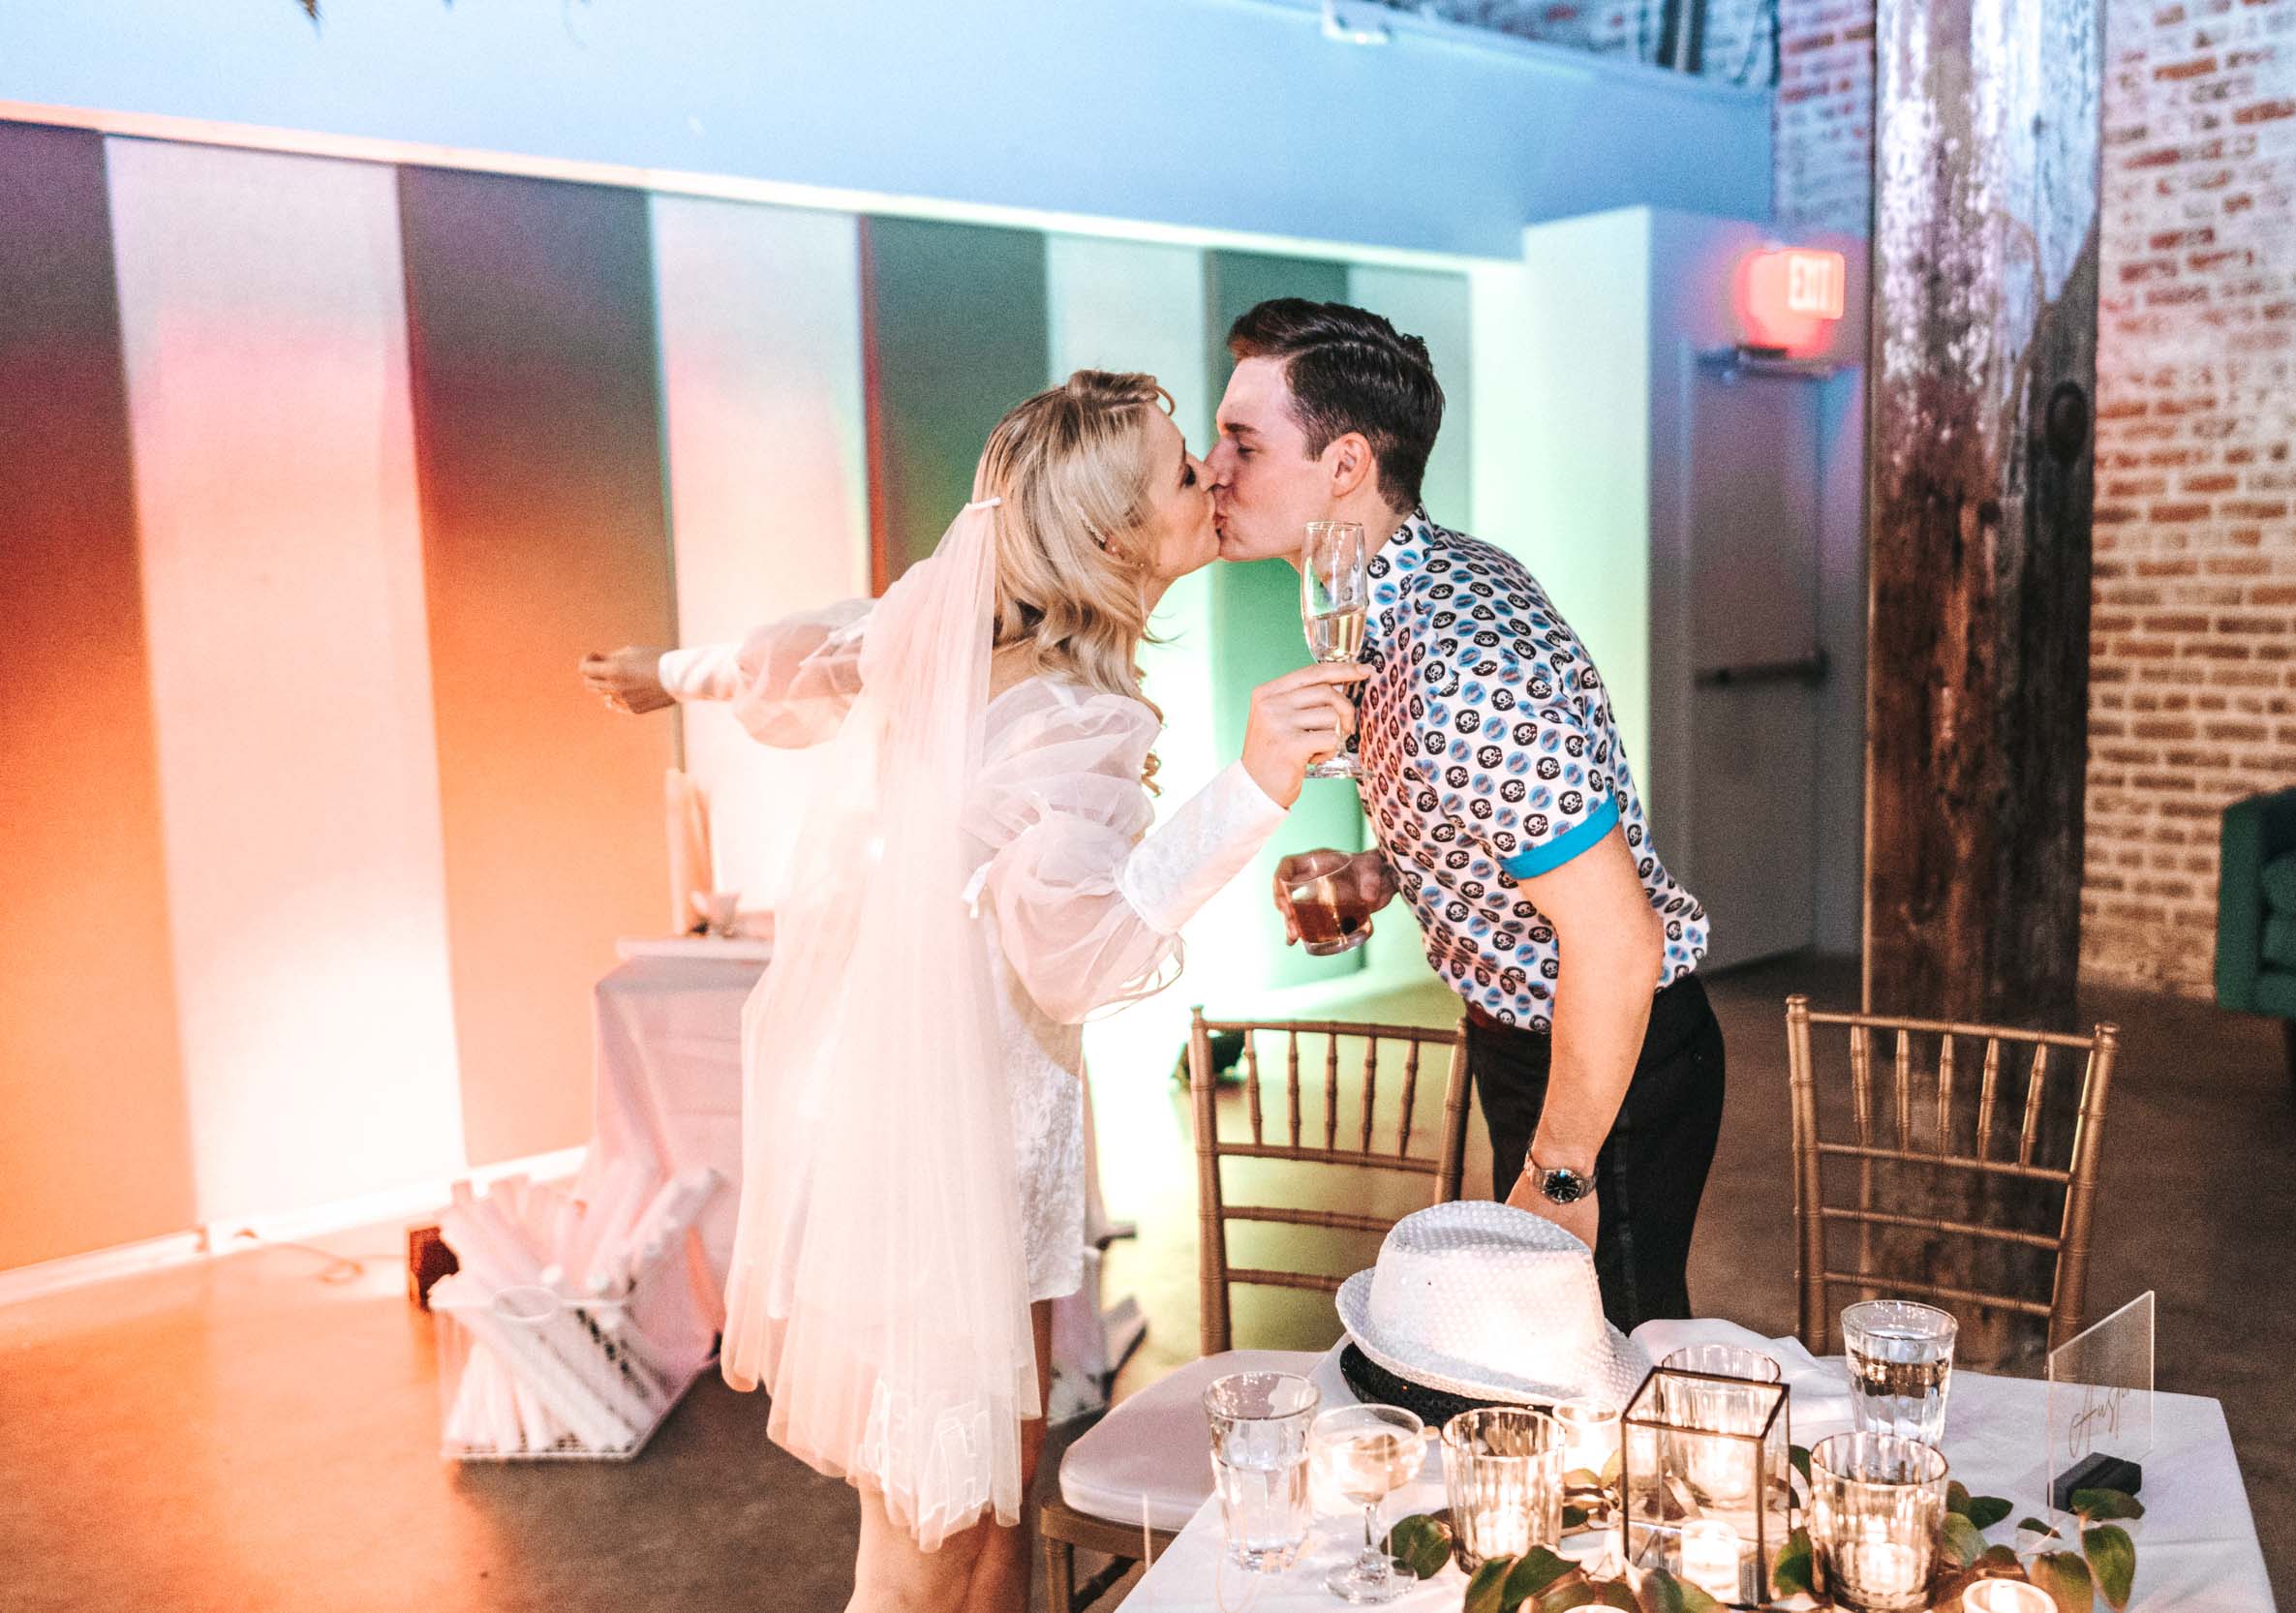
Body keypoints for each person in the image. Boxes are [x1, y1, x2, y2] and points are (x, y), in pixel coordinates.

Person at [581, 371, 1365, 1613]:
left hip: (946, 1134)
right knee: (921, 1561)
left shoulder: (950, 639)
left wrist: (669, 669)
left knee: (996, 1507)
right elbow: (1084, 954)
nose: (1211, 478)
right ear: (1114, 536)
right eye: (1181, 470)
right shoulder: (1069, 718)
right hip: (942, 1167)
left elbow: (815, 647)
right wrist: (1254, 786)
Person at [1208, 299, 1724, 1332]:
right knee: (1538, 1355)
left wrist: (1563, 1172)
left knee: (1593, 1361)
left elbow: (1617, 939)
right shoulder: (1371, 594)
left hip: (1603, 1055)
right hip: (1520, 1036)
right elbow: (1485, 810)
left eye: (1242, 442)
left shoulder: (1465, 658)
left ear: (1343, 464)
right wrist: (1377, 873)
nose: (1210, 467)